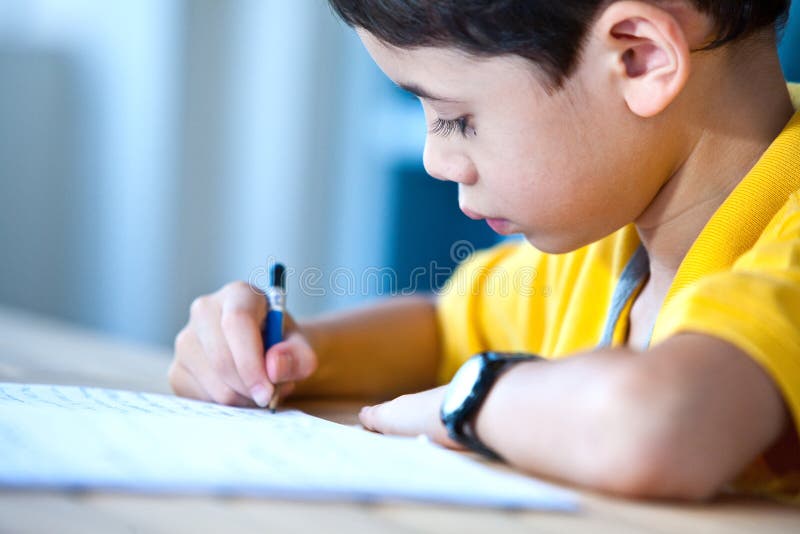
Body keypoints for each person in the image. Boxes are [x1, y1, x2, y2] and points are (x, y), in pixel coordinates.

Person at [169, 0, 800, 502]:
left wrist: (465, 402)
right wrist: (288, 354)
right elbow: (442, 330)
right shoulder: (611, 231)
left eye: (456, 118)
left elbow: (656, 426)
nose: (435, 159)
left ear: (638, 59)